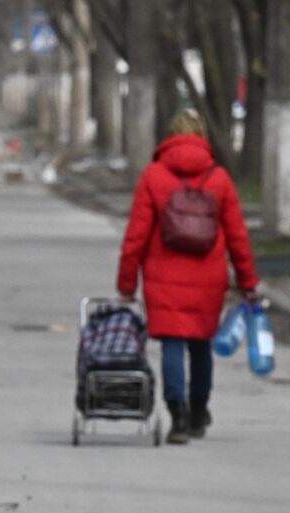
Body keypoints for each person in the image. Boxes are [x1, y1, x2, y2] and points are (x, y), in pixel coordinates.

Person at [116, 110, 259, 444]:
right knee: (200, 346)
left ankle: (177, 417)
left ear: (169, 137)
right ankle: (198, 412)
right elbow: (238, 237)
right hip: (208, 279)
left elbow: (135, 237)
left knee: (172, 343)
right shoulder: (219, 179)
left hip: (162, 277)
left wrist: (126, 286)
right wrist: (248, 282)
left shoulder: (153, 176)